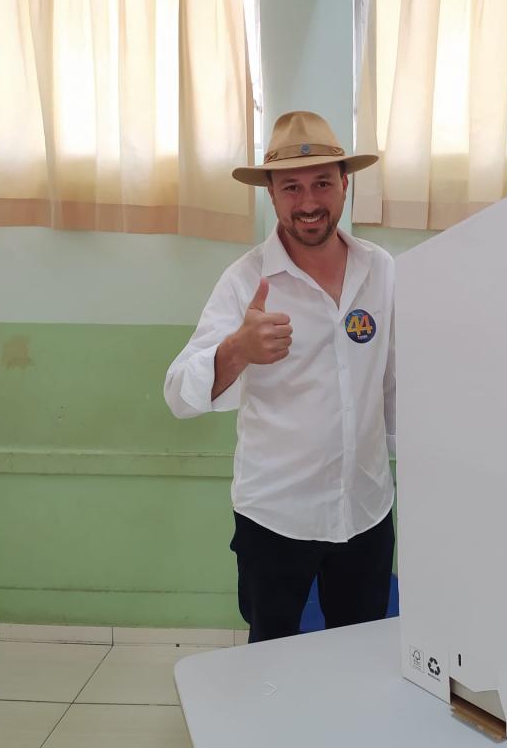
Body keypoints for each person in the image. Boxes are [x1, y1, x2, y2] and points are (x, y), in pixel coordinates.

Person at [164, 111, 395, 643]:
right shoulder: (246, 280)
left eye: (321, 183)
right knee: (271, 659)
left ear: (345, 184)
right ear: (271, 193)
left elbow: (395, 386)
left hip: (365, 510)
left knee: (359, 655)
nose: (308, 202)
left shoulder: (381, 270)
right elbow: (178, 393)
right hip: (276, 519)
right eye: (291, 187)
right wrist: (236, 351)